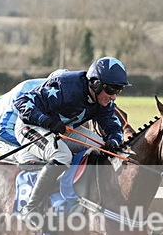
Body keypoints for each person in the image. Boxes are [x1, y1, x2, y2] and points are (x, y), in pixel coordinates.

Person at [12, 56, 131, 226]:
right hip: (30, 126)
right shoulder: (66, 85)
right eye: (112, 90)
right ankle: (30, 207)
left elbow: (113, 126)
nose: (114, 97)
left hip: (61, 129)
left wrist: (114, 140)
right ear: (95, 84)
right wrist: (46, 120)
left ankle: (79, 195)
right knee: (62, 155)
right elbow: (21, 101)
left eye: (118, 91)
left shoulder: (103, 102)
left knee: (99, 146)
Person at [0, 69, 67, 157]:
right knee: (33, 158)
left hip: (26, 126)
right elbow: (3, 132)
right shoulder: (25, 92)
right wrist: (37, 147)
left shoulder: (66, 97)